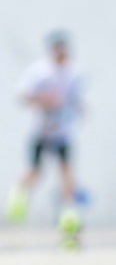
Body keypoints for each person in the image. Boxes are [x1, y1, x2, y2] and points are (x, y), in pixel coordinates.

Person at [9, 32, 86, 243]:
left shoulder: (74, 73)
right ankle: (18, 194)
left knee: (67, 174)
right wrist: (44, 98)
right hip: (41, 131)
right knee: (35, 170)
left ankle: (69, 216)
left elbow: (74, 98)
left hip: (63, 133)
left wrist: (79, 107)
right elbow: (21, 95)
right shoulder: (38, 71)